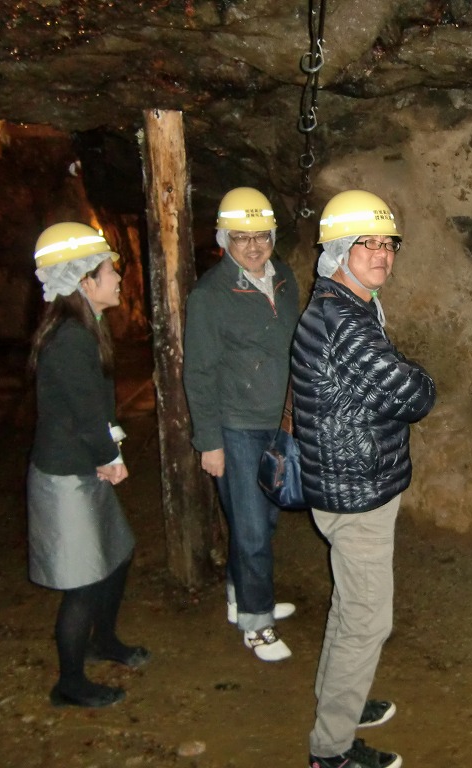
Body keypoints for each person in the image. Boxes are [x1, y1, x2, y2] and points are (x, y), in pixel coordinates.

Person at [292, 190, 436, 768]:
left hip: (347, 479)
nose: (381, 254)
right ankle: (331, 749)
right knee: (368, 620)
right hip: (355, 489)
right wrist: (420, 375)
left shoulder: (340, 304)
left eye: (387, 244)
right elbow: (414, 395)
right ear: (338, 251)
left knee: (350, 606)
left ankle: (340, 701)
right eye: (366, 244)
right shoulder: (345, 321)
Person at [28, 222, 150, 708]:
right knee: (83, 583)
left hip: (83, 467)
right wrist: (110, 459)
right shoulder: (71, 340)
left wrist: (109, 446)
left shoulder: (87, 327)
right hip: (67, 477)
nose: (118, 278)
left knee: (116, 555)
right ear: (84, 281)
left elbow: (96, 407)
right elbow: (83, 415)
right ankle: (70, 683)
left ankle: (104, 641)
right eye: (109, 271)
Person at [183, 187, 299, 660]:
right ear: (224, 239)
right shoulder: (210, 295)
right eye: (241, 237)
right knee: (251, 530)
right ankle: (256, 622)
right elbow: (199, 372)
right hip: (237, 426)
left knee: (264, 521)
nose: (254, 246)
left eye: (262, 236)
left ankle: (241, 594)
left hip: (279, 422)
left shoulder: (285, 278)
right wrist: (209, 441)